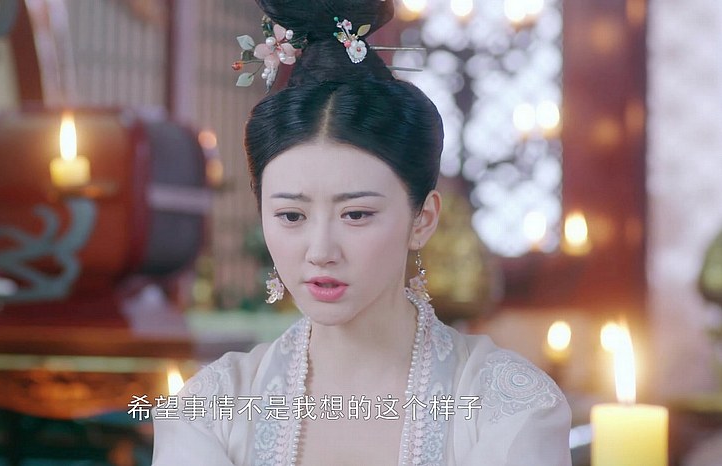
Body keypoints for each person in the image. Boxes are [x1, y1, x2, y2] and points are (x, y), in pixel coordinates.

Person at [153, 0, 571, 464]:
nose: (320, 251)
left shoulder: (506, 407)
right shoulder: (210, 409)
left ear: (422, 219)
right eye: (291, 216)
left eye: (355, 215)